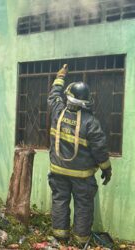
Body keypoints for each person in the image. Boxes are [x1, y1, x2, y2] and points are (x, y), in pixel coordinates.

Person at [48, 64, 112, 244]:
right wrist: (107, 170)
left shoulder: (57, 111)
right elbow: (100, 149)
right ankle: (81, 242)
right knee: (83, 206)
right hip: (82, 177)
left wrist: (60, 76)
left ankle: (60, 239)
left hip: (58, 171)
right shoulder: (91, 122)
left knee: (60, 202)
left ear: (69, 97)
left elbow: (54, 94)